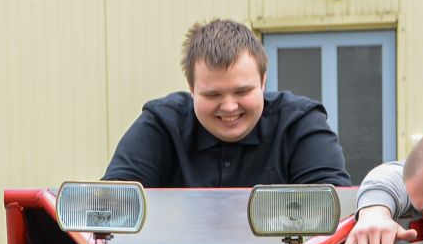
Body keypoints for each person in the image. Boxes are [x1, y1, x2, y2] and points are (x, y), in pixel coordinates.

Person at [103, 19, 350, 188]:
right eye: (213, 95)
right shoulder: (161, 125)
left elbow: (334, 208)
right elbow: (113, 204)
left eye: (242, 91)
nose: (229, 107)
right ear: (192, 89)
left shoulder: (300, 123)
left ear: (263, 82)